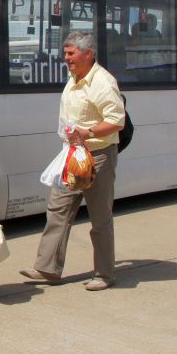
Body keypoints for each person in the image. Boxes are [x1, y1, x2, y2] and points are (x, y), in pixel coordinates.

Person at [20, 30, 125, 291]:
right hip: (73, 154)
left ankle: (104, 274)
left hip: (98, 155)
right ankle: (47, 268)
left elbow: (116, 121)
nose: (66, 58)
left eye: (71, 53)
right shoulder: (74, 77)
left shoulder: (102, 82)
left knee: (100, 218)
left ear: (88, 54)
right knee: (58, 208)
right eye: (65, 53)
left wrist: (87, 132)